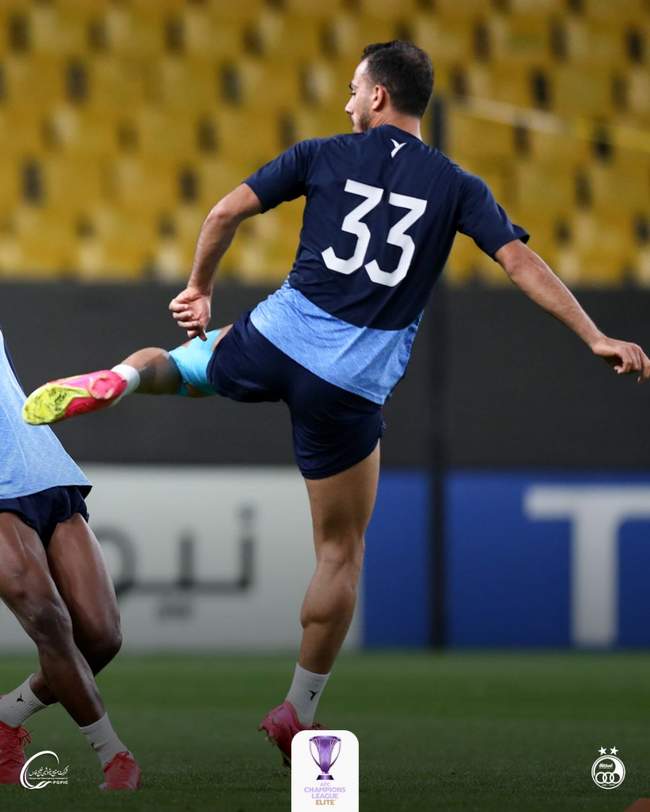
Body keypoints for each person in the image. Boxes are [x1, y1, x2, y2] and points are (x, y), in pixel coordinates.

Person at [22, 41, 650, 765]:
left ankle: (122, 380)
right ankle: (298, 707)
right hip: (349, 383)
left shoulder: (319, 153)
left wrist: (199, 287)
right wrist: (594, 335)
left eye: (354, 88)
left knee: (170, 365)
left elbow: (223, 213)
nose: (347, 101)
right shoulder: (457, 186)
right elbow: (520, 262)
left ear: (379, 96)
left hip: (277, 337)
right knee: (340, 550)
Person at [0, 326, 141, 790]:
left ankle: (7, 715)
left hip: (44, 468)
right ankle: (114, 755)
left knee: (101, 637)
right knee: (48, 619)